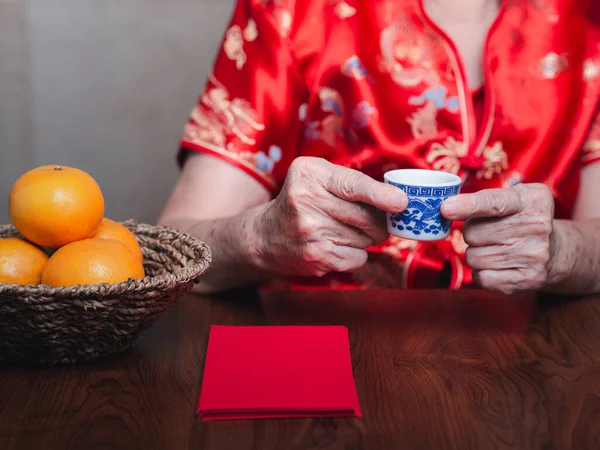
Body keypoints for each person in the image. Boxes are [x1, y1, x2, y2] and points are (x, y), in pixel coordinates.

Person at [159, 0, 600, 295]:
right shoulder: (297, 11)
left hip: (524, 362)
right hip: (327, 355)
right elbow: (173, 247)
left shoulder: (588, 22)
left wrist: (562, 251)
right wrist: (260, 239)